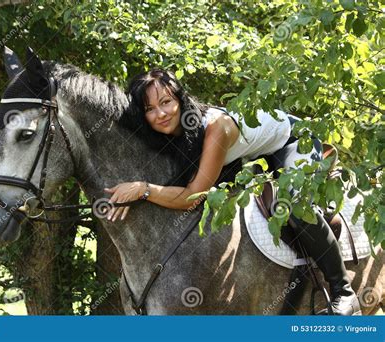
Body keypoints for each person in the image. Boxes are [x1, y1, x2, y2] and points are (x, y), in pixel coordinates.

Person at [107, 68, 361, 315]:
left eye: (166, 102)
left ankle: (343, 291)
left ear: (180, 100)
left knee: (294, 206)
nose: (160, 113)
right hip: (257, 156)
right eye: (150, 109)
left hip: (296, 143)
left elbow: (191, 197)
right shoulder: (170, 133)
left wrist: (144, 191)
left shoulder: (217, 128)